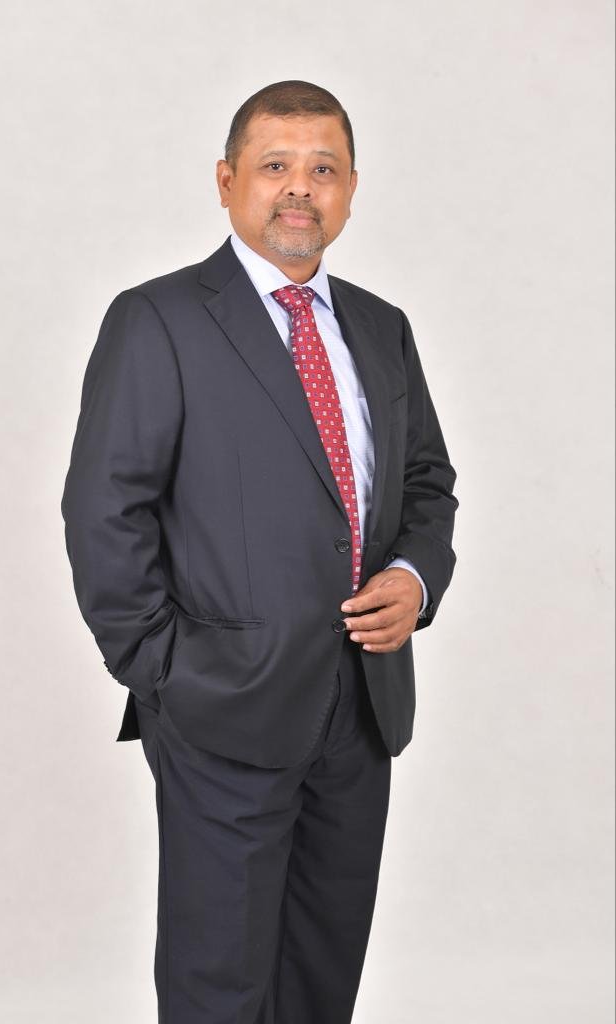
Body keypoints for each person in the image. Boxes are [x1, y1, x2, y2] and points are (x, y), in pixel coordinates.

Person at [61, 79, 459, 1024]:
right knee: (218, 986)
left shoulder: (381, 327)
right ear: (226, 180)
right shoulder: (158, 319)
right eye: (275, 165)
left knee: (320, 977)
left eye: (323, 170)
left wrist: (413, 578)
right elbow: (104, 509)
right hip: (220, 708)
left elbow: (426, 484)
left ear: (350, 189)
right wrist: (164, 671)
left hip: (361, 706)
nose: (298, 189)